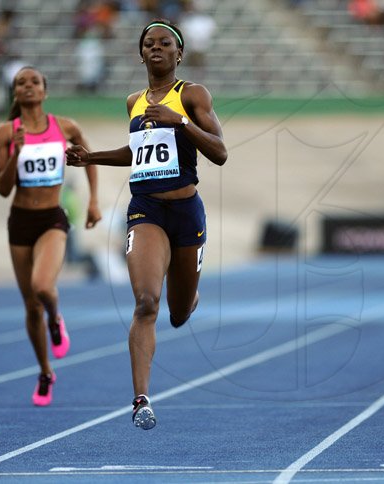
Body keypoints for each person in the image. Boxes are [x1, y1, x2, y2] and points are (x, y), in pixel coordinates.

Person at [66, 19, 227, 430]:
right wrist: (92, 157)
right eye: (149, 43)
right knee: (145, 303)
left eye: (165, 43)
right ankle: (141, 400)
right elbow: (137, 152)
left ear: (179, 54)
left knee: (177, 313)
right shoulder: (133, 101)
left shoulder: (192, 94)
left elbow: (221, 152)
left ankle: (189, 294)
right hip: (146, 210)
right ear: (140, 54)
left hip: (186, 211)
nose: (156, 48)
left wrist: (181, 123)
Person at [0, 66, 101, 406]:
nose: (27, 86)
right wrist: (15, 153)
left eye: (34, 82)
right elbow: (2, 188)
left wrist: (93, 201)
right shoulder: (5, 133)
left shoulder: (65, 127)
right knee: (29, 306)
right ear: (15, 93)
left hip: (52, 219)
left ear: (45, 90)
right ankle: (45, 372)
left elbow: (89, 158)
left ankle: (55, 318)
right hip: (21, 221)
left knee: (43, 288)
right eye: (20, 83)